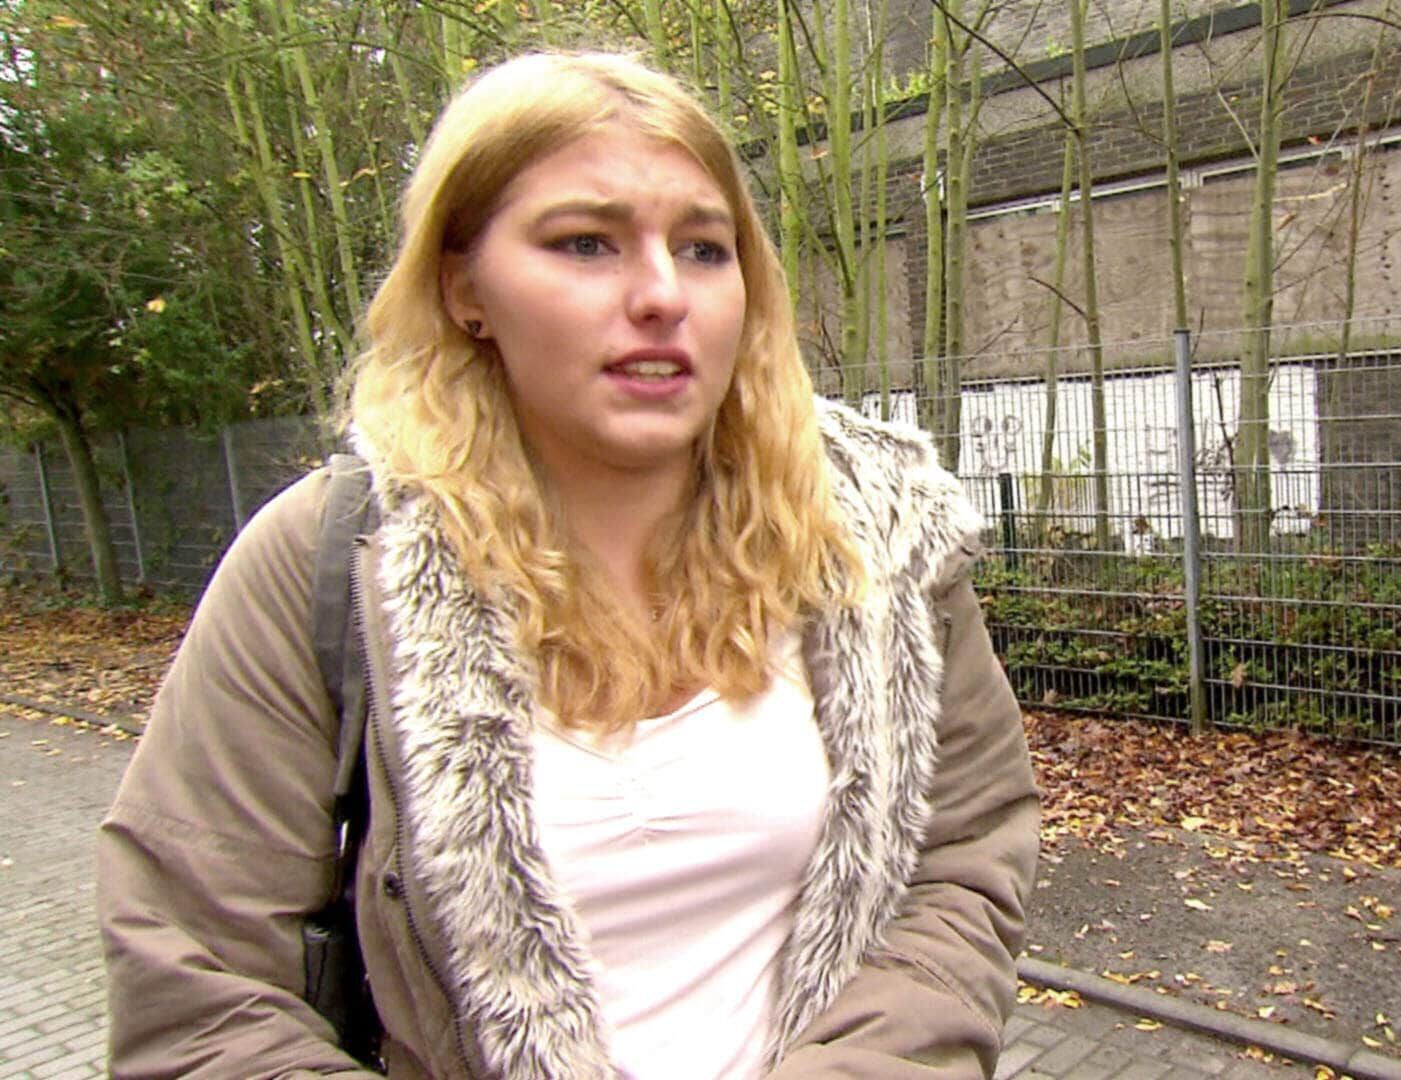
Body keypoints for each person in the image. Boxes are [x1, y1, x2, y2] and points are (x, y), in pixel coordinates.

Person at [96, 51, 1039, 1080]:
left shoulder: (877, 538)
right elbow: (197, 985)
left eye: (704, 248)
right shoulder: (327, 562)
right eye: (586, 243)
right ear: (464, 287)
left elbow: (964, 858)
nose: (662, 294)